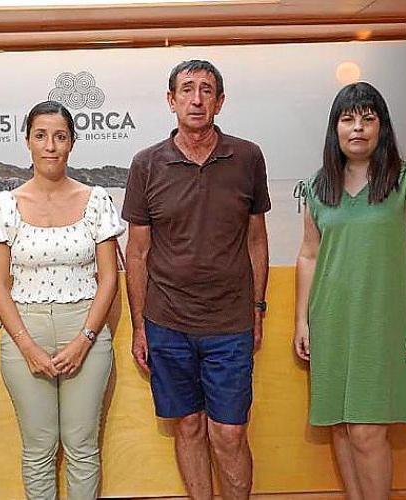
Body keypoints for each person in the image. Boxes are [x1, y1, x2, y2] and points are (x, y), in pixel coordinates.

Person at [122, 60, 271, 499]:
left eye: (207, 90)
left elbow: (257, 242)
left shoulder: (247, 157)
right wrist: (139, 328)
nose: (196, 99)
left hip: (230, 323)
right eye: (186, 89)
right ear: (171, 100)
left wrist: (257, 309)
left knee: (229, 433)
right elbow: (137, 252)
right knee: (188, 426)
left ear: (220, 102)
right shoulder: (146, 164)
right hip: (167, 322)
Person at [293, 81, 406, 500]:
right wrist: (302, 320)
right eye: (348, 119)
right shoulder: (318, 187)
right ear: (335, 128)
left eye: (367, 118)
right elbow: (309, 255)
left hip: (384, 324)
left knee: (367, 430)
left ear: (381, 127)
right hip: (332, 321)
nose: (357, 128)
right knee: (341, 426)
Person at [0, 100, 124, 499]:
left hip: (86, 329)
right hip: (25, 331)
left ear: (71, 143)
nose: (50, 146)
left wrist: (85, 339)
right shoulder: (6, 204)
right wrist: (27, 346)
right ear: (27, 141)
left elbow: (109, 279)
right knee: (39, 449)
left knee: (82, 446)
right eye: (41, 136)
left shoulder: (96, 200)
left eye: (60, 137)